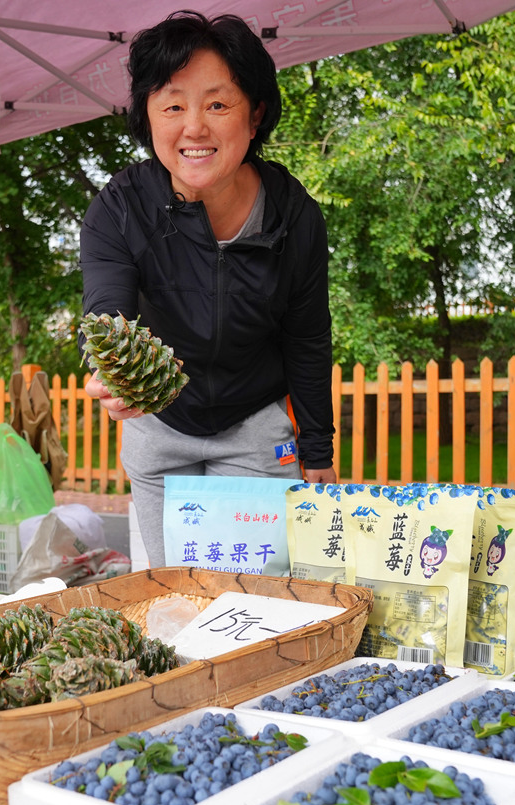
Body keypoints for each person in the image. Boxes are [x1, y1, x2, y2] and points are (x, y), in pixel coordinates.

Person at [80, 10, 336, 568]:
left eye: (217, 105)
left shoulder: (295, 217)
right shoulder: (118, 209)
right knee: (170, 597)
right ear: (147, 117)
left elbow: (308, 338)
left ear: (255, 114)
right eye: (173, 106)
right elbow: (106, 311)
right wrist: (111, 371)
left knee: (259, 597)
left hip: (254, 426)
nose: (194, 128)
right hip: (159, 425)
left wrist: (318, 447)